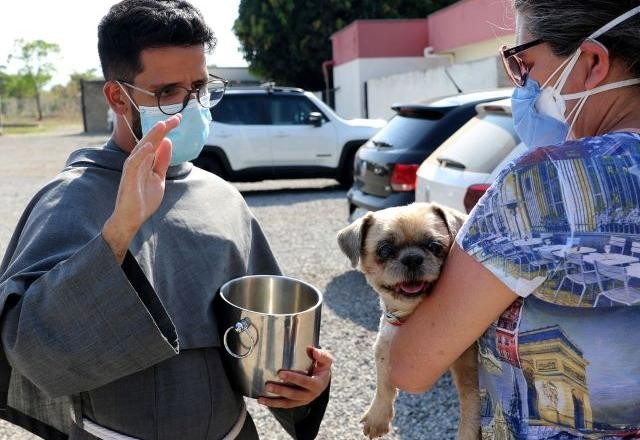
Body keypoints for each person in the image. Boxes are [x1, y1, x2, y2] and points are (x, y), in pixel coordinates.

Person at [0, 1, 332, 439]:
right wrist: (119, 231)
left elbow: (270, 331)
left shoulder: (223, 198)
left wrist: (304, 384)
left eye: (200, 86)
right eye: (168, 92)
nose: (191, 105)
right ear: (118, 96)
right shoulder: (69, 200)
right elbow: (29, 346)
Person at [389, 1, 640, 438]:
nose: (523, 86)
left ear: (594, 61)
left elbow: (411, 366)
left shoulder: (544, 180)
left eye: (524, 64)